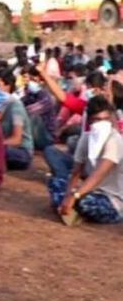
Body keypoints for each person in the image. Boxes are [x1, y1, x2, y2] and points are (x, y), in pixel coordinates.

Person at [46, 96, 123, 225]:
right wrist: (68, 195)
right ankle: (70, 209)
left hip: (112, 199)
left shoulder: (114, 140)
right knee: (55, 182)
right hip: (89, 191)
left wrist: (74, 196)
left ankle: (69, 209)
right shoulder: (87, 138)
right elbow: (76, 172)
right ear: (90, 121)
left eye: (106, 119)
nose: (102, 123)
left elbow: (98, 175)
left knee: (85, 202)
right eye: (98, 120)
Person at [0, 69, 35, 170]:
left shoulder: (15, 106)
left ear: (8, 86)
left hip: (21, 152)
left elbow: (17, 139)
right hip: (7, 146)